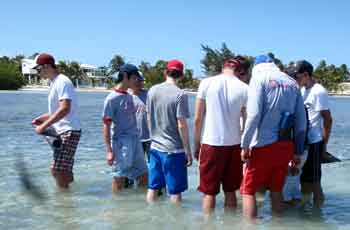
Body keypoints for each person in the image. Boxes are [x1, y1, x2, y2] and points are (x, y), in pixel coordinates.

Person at [240, 55, 307, 219]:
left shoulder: (259, 80)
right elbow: (301, 123)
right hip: (285, 146)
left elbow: (254, 116)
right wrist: (297, 151)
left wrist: (245, 145)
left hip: (262, 146)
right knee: (277, 190)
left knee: (248, 191)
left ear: (256, 67)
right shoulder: (292, 84)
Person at [193, 56, 250, 214]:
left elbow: (198, 118)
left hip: (211, 143)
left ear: (223, 67)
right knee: (231, 191)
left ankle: (207, 225)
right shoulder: (245, 88)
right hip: (234, 145)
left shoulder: (206, 83)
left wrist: (196, 144)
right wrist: (245, 147)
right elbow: (247, 123)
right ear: (239, 71)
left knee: (209, 193)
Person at [31, 53, 81, 189]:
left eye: (38, 69)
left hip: (68, 131)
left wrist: (44, 126)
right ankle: (71, 195)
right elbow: (58, 110)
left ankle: (64, 203)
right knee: (63, 169)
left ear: (46, 66)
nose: (38, 72)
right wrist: (42, 118)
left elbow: (65, 109)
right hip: (62, 131)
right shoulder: (55, 82)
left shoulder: (62, 81)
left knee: (58, 170)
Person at [146, 59, 192, 204]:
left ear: (166, 72)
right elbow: (182, 124)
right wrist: (188, 151)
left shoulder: (152, 90)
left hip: (154, 147)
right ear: (181, 75)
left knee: (152, 187)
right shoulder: (180, 94)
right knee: (175, 191)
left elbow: (148, 117)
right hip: (173, 150)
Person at [291, 60, 333, 207]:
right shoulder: (302, 90)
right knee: (303, 179)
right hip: (303, 143)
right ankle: (305, 211)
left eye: (297, 76)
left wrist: (324, 145)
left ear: (306, 75)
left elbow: (328, 119)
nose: (295, 79)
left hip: (315, 142)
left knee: (315, 182)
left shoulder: (318, 91)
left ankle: (318, 216)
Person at [102, 64, 148, 193]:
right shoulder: (111, 99)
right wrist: (109, 151)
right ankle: (117, 209)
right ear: (126, 76)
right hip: (121, 143)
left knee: (144, 174)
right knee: (119, 177)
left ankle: (140, 207)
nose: (137, 81)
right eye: (135, 78)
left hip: (135, 140)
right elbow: (106, 126)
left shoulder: (128, 95)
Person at [129, 71, 151, 162]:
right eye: (138, 81)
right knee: (137, 167)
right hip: (135, 139)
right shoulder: (127, 96)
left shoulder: (149, 94)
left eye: (142, 81)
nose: (140, 83)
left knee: (153, 166)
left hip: (151, 138)